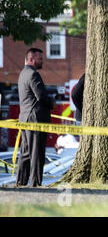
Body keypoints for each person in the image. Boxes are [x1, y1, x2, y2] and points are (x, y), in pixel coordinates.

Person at [16, 48, 56, 187]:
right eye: (40, 59)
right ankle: (36, 184)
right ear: (31, 59)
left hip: (25, 119)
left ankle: (21, 182)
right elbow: (41, 96)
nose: (42, 61)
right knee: (37, 153)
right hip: (35, 119)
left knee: (26, 153)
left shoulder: (22, 74)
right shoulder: (33, 74)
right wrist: (52, 103)